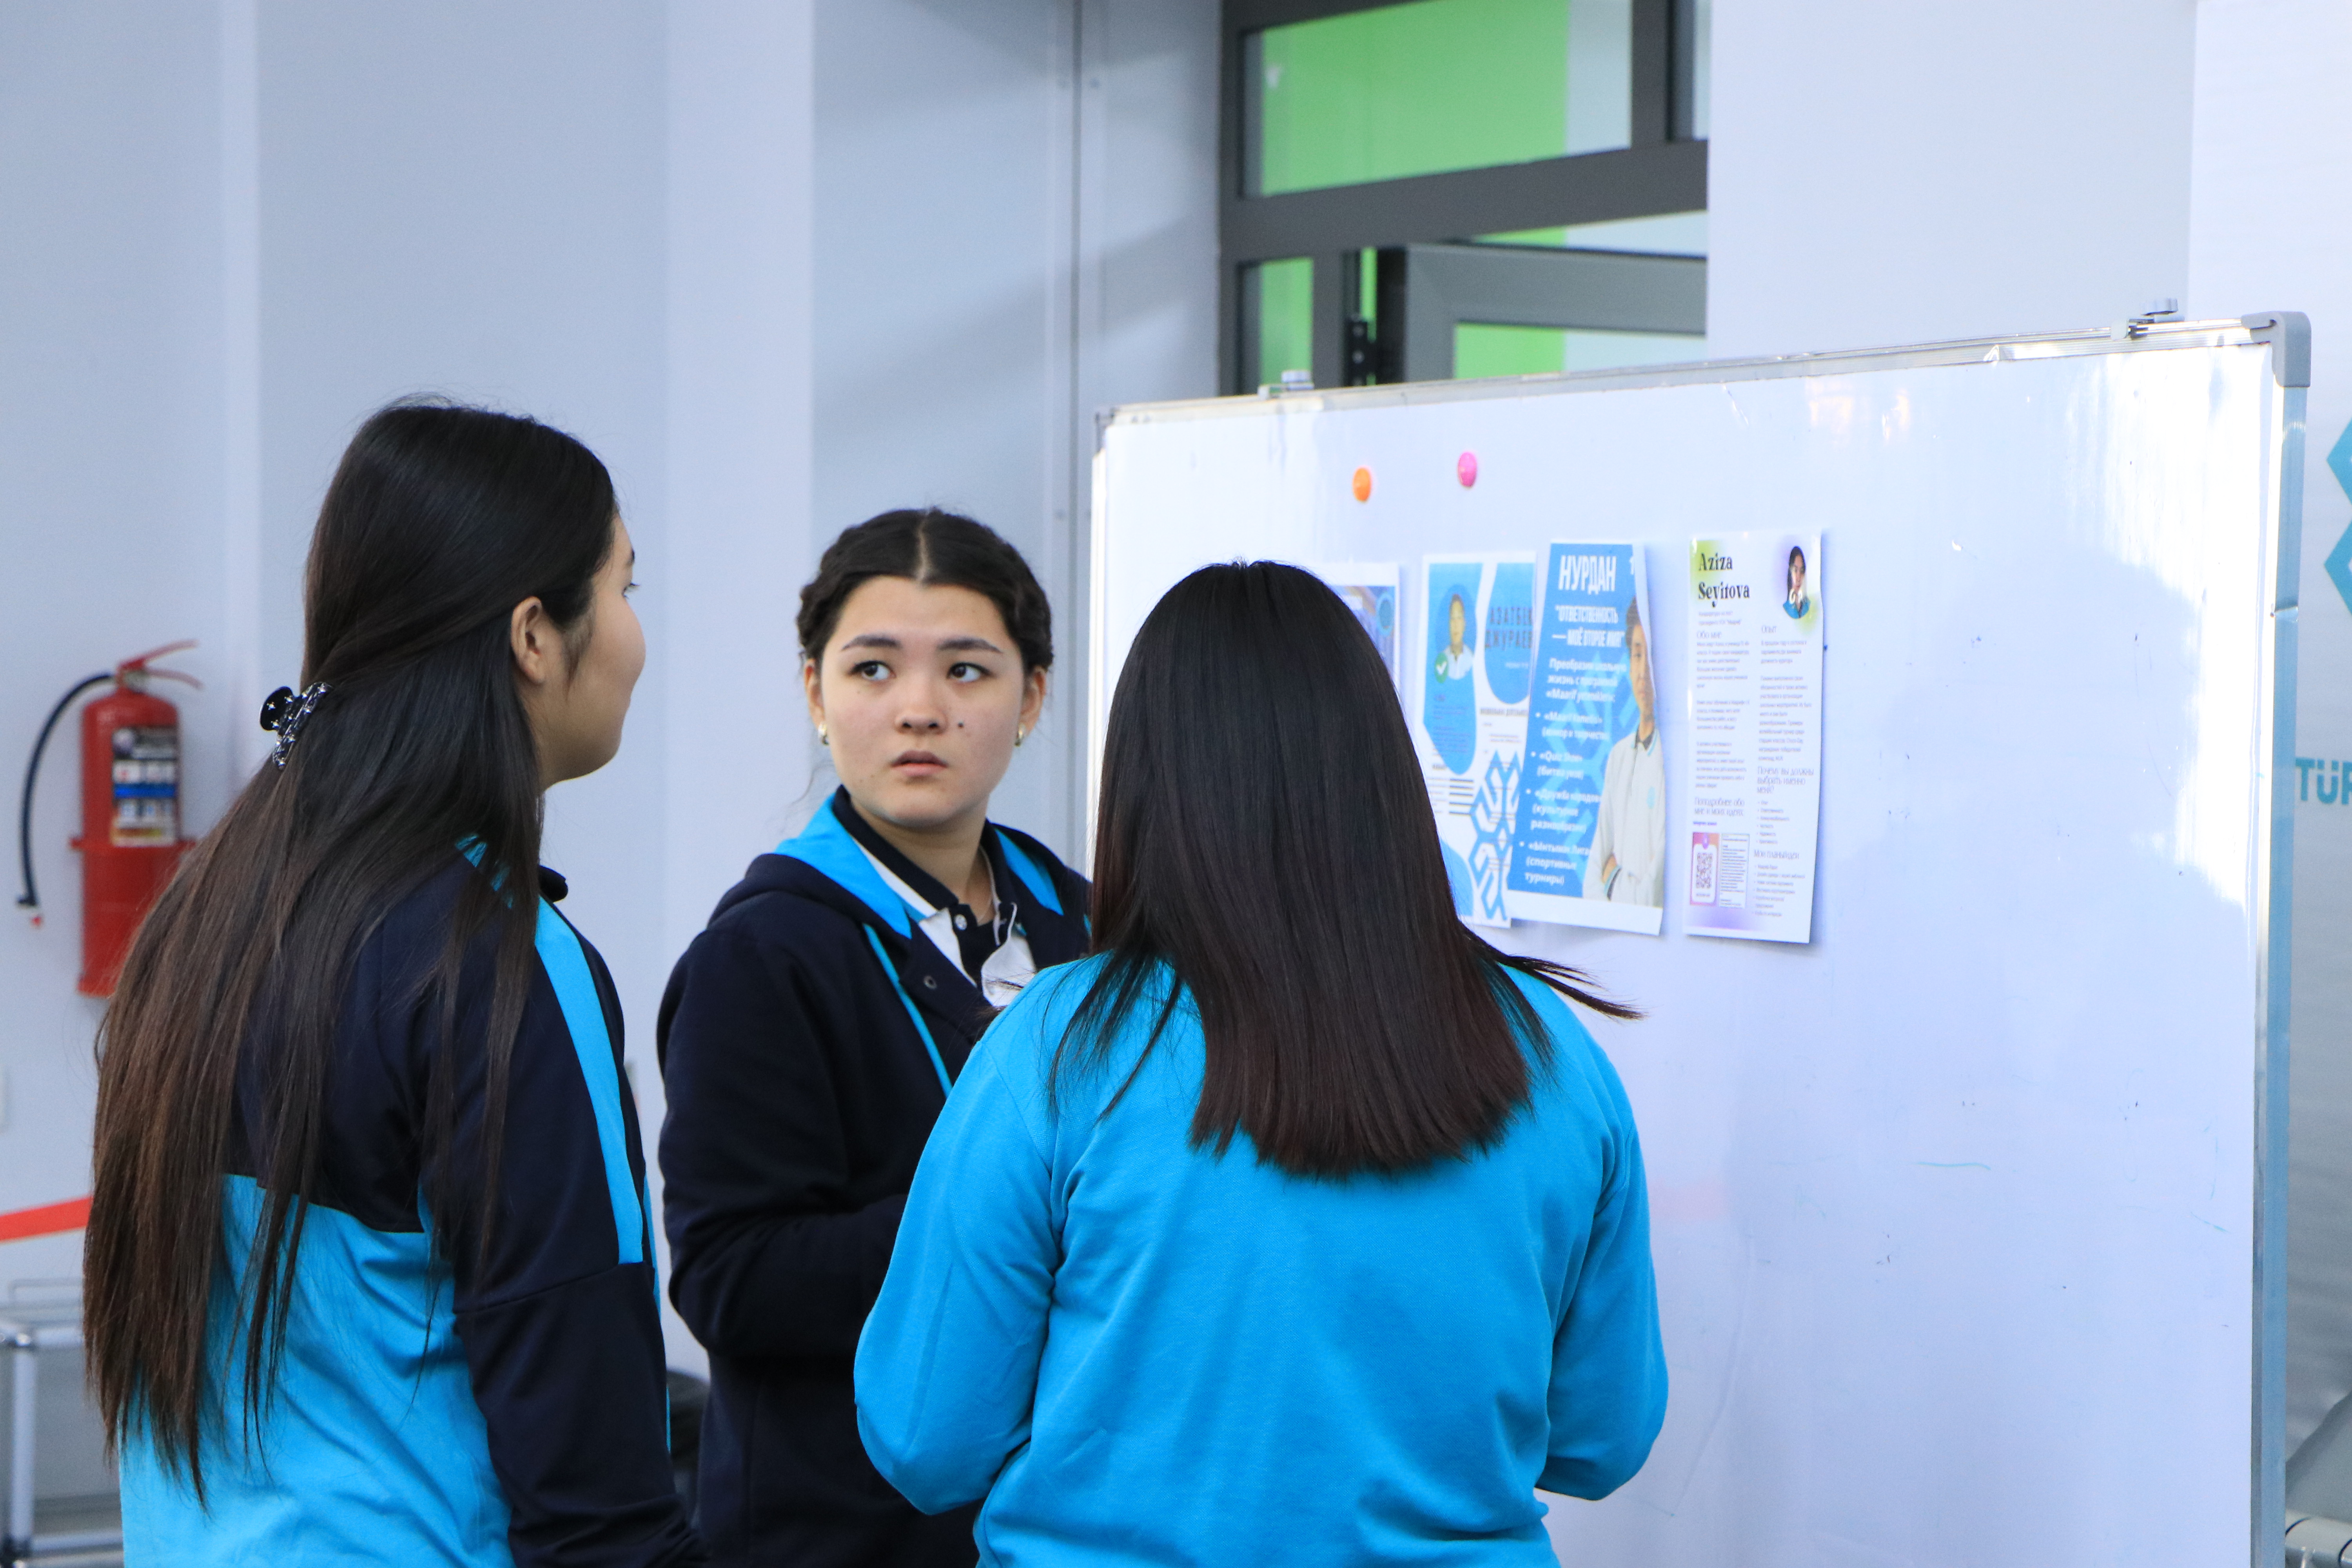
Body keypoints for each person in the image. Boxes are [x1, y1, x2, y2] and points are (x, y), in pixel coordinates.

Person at [855, 561, 1667, 1565]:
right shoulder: (1550, 1049)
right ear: (1380, 770)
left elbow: (926, 1439)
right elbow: (1601, 1439)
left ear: (1144, 785)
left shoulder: (1058, 1044)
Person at [85, 403, 700, 1566]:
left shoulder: (205, 914)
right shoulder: (498, 960)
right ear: (534, 635)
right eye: (624, 588)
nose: (633, 636)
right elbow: (589, 1464)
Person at [658, 509, 1092, 1568]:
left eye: (967, 670)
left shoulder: (1090, 925)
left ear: (1033, 697)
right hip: (842, 1534)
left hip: (1061, 1519)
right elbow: (731, 1279)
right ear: (816, 693)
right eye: (873, 669)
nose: (920, 708)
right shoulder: (764, 955)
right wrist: (999, 1215)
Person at [1583, 597, 1666, 907]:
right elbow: (1590, 883)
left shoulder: (1671, 762)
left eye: (1651, 658)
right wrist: (1615, 887)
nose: (1643, 673)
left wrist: (1613, 878)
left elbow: (1652, 897)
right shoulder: (1619, 756)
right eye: (1637, 655)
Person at [1435, 587, 1475, 681]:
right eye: (1453, 619)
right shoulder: (1442, 659)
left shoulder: (1472, 659)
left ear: (1464, 624)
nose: (1456, 625)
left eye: (1459, 618)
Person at [1784, 544, 1811, 618]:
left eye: (1802, 571)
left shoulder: (1809, 606)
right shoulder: (1786, 609)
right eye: (1795, 571)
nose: (1798, 578)